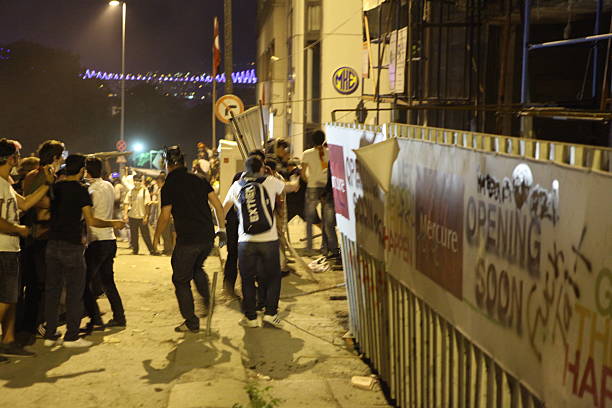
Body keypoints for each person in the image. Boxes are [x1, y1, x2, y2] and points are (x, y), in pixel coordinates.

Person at [43, 154, 125, 348]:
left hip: (53, 244)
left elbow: (45, 212)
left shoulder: (55, 188)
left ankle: (50, 333)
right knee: (76, 290)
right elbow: (91, 220)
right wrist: (114, 223)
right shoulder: (83, 190)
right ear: (81, 170)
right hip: (73, 245)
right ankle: (72, 336)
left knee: (53, 290)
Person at [153, 145, 226, 333]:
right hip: (206, 237)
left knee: (180, 279)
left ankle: (191, 321)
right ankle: (207, 299)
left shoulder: (168, 186)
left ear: (168, 165)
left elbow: (165, 215)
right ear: (184, 162)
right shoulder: (200, 180)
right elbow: (218, 206)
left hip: (188, 240)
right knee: (196, 268)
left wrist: (156, 237)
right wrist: (222, 229)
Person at [223, 156, 298, 329]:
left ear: (245, 169)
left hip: (245, 241)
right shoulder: (270, 182)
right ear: (262, 169)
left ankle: (250, 317)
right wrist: (295, 176)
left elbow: (222, 209)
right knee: (273, 277)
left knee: (247, 279)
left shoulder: (237, 186)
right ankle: (271, 314)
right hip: (269, 240)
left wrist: (220, 228)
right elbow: (293, 187)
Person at [0, 139, 54, 360]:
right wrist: (19, 229)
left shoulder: (6, 184)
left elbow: (24, 204)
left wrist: (46, 184)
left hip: (11, 250)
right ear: (10, 158)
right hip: (2, 248)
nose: (20, 159)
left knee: (12, 298)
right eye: (17, 155)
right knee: (5, 299)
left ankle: (9, 340)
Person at [17, 140, 65, 341]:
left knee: (34, 285)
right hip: (42, 236)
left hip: (31, 237)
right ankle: (40, 324)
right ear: (55, 157)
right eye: (60, 156)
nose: (62, 160)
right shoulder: (45, 176)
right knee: (44, 284)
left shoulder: (30, 175)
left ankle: (28, 325)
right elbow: (40, 203)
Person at [82, 157, 126, 331]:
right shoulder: (108, 185)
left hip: (97, 241)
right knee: (108, 282)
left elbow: (92, 220)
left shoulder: (91, 190)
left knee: (85, 283)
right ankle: (119, 316)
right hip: (109, 240)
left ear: (87, 171)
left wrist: (112, 222)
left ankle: (95, 319)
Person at [301, 130, 329, 254]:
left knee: (310, 217)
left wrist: (309, 181)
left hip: (312, 187)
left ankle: (310, 247)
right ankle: (325, 245)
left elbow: (303, 173)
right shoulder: (330, 153)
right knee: (326, 217)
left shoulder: (307, 154)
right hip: (326, 187)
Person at [123, 173, 157, 255]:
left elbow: (147, 205)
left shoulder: (145, 192)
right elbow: (126, 203)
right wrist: (125, 214)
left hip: (142, 216)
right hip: (132, 216)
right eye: (135, 181)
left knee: (146, 235)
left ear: (141, 181)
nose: (136, 182)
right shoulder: (131, 192)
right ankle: (135, 250)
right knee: (134, 235)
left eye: (138, 181)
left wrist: (146, 217)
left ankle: (151, 250)